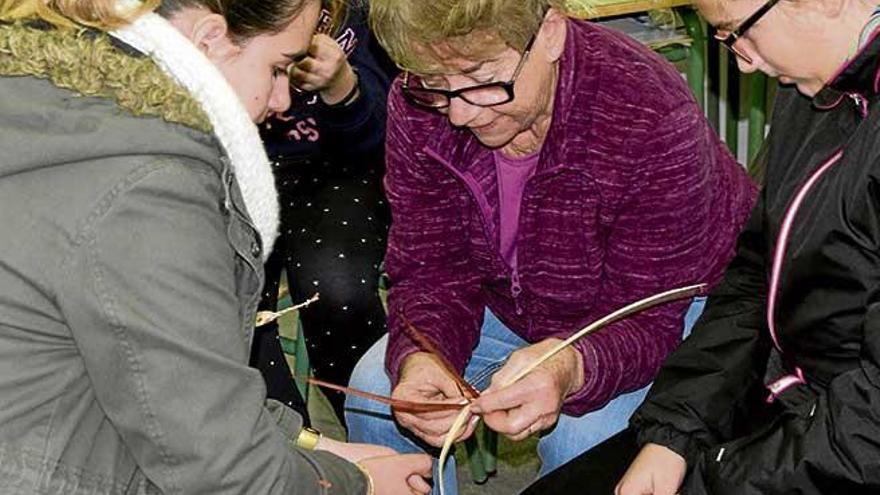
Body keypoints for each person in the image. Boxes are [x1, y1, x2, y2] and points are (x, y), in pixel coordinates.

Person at [0, 0, 433, 493]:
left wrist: (312, 444)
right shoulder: (151, 189)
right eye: (276, 68)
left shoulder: (61, 104)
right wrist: (357, 483)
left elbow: (164, 382)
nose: (283, 99)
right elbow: (225, 472)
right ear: (208, 39)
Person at [344, 0, 757, 492]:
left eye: (480, 76)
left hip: (664, 310)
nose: (458, 113)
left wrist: (571, 367)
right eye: (434, 81)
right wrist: (423, 355)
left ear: (552, 33)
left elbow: (646, 318)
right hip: (517, 299)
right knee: (375, 395)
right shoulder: (418, 103)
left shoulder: (646, 110)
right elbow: (432, 265)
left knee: (582, 441)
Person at [610, 0, 880, 494]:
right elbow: (758, 274)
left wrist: (715, 476)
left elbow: (868, 433)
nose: (742, 62)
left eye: (739, 33)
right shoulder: (816, 85)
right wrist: (678, 429)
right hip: (797, 410)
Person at [254, 0, 393, 423]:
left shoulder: (358, 15)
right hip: (242, 166)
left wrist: (343, 88)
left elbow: (388, 138)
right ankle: (286, 447)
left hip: (342, 168)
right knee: (230, 302)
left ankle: (371, 428)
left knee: (338, 289)